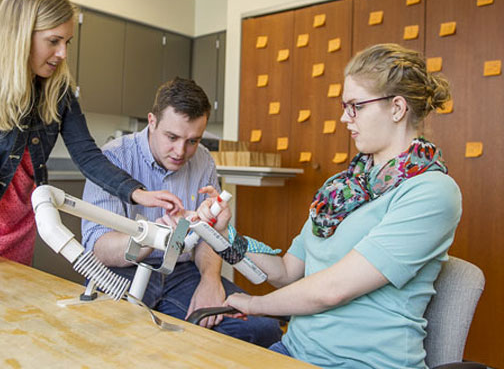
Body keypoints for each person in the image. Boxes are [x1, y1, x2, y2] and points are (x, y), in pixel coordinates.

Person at [198, 44, 462, 368]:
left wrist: (256, 305)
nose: (343, 118)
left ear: (397, 108)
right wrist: (225, 234)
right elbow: (285, 273)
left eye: (356, 106)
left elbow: (333, 290)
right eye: (344, 106)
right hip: (295, 352)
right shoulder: (341, 188)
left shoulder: (431, 192)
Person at [0, 0, 182, 270]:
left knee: (12, 300)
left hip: (20, 211)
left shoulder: (58, 89)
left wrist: (137, 192)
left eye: (67, 42)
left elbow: (86, 154)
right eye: (54, 41)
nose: (63, 54)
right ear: (21, 34)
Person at [81, 77, 282, 347]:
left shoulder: (203, 161)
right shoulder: (113, 158)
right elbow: (98, 247)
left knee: (263, 329)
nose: (181, 151)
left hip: (182, 272)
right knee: (120, 340)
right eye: (172, 137)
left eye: (193, 141)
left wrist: (210, 280)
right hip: (123, 270)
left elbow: (208, 234)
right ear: (151, 121)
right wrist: (157, 237)